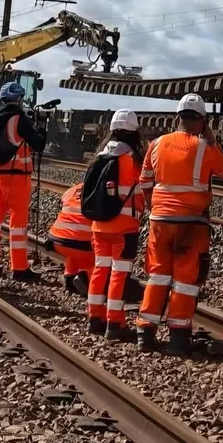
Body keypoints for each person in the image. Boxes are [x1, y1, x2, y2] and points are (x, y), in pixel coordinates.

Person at [135, 94, 223, 354]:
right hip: (192, 223)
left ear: (177, 117)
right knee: (185, 281)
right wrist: (212, 141)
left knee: (158, 276)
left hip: (160, 220)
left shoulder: (157, 144)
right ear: (203, 121)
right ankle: (178, 337)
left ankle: (145, 332)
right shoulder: (204, 147)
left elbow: (145, 181)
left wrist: (153, 206)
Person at [86, 109, 146, 339]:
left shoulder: (100, 156)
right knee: (119, 274)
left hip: (99, 225)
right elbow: (141, 191)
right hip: (124, 226)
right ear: (134, 132)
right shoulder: (132, 160)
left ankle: (95, 319)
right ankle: (114, 323)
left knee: (100, 269)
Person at [0, 82, 46, 281]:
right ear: (19, 98)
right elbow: (38, 144)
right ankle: (19, 268)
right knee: (18, 225)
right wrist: (41, 127)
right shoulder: (20, 118)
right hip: (18, 178)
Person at [46, 183, 94, 296]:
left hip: (57, 241)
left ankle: (70, 275)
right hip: (82, 246)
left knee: (74, 238)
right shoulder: (100, 190)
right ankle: (86, 276)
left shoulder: (73, 189)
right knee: (106, 252)